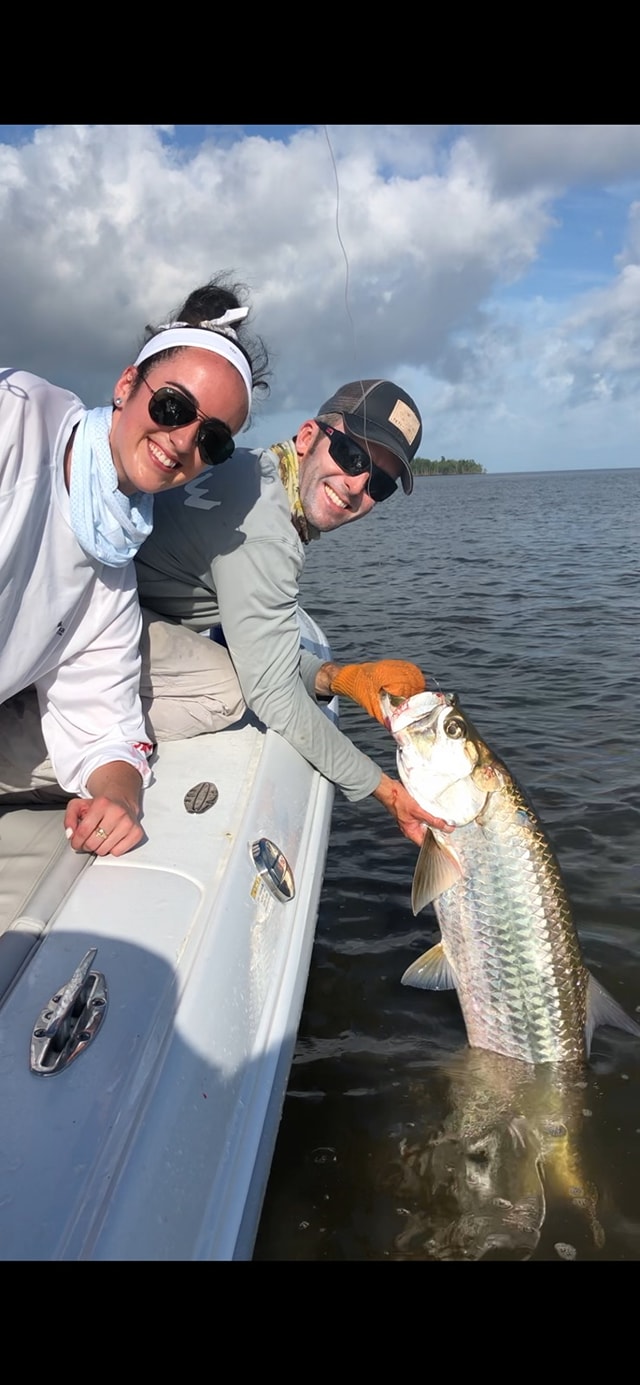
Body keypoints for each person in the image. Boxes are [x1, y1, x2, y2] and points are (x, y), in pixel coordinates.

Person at [0, 276, 269, 856]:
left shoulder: (112, 570)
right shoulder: (14, 417)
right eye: (173, 406)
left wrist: (119, 800)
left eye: (214, 440)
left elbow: (104, 724)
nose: (183, 441)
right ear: (127, 384)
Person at [134, 378, 452, 845]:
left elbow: (262, 647)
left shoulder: (252, 470)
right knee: (228, 691)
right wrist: (386, 791)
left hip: (128, 604)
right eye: (352, 455)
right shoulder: (268, 534)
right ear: (308, 437)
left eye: (379, 483)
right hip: (93, 629)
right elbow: (272, 693)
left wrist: (340, 678)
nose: (357, 485)